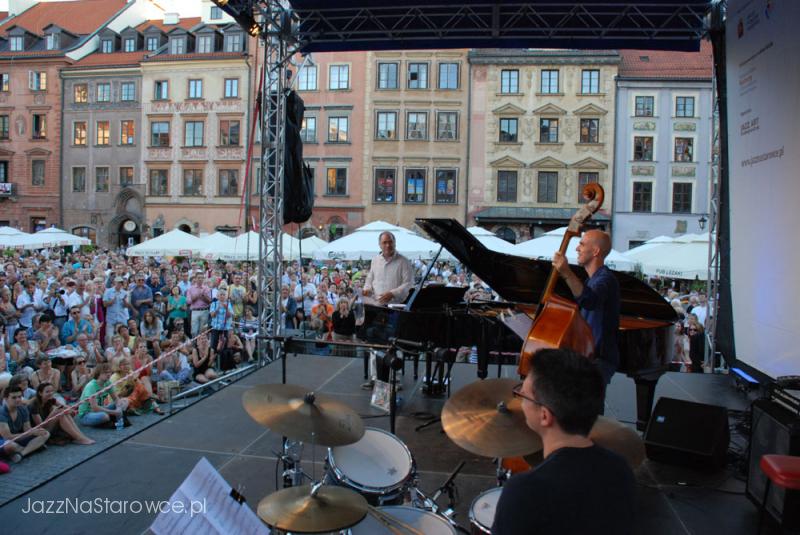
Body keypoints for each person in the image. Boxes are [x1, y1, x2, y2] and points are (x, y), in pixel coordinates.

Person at [492, 348, 635, 535]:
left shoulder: (526, 491)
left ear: (544, 415)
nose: (519, 402)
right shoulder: (620, 469)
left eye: (523, 396)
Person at [552, 229, 620, 385]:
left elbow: (589, 300)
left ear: (595, 251)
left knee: (587, 407)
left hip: (598, 360)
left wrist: (566, 272)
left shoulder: (606, 279)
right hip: (588, 356)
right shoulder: (591, 281)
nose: (577, 248)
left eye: (582, 244)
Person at [30, 382, 95, 445]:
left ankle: (80, 436)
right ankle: (79, 438)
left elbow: (64, 407)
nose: (50, 393)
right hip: (41, 430)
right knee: (59, 412)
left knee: (63, 412)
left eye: (51, 391)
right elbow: (41, 426)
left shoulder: (51, 399)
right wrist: (53, 413)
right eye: (47, 392)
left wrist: (71, 410)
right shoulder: (34, 405)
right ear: (40, 393)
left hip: (49, 425)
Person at [0, 386, 50, 463]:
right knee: (10, 445)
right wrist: (31, 433)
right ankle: (33, 447)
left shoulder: (23, 409)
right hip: (4, 441)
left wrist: (35, 431)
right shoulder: (1, 412)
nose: (17, 400)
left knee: (45, 433)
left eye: (19, 397)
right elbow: (7, 436)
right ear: (6, 399)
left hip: (18, 438)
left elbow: (27, 429)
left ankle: (21, 453)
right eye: (14, 397)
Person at [363, 231, 414, 306]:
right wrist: (367, 289)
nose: (388, 245)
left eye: (390, 242)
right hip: (377, 304)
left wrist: (392, 293)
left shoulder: (404, 261)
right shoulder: (375, 260)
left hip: (396, 306)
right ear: (380, 245)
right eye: (384, 242)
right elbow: (369, 279)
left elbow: (409, 283)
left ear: (395, 243)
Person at [77, 363, 130, 427]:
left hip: (101, 409)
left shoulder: (107, 382)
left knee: (125, 401)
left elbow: (116, 398)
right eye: (105, 372)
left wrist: (118, 407)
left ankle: (114, 419)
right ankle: (111, 420)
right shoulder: (91, 386)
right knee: (104, 416)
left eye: (109, 372)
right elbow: (95, 408)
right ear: (99, 373)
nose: (108, 374)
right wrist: (115, 412)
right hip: (87, 414)